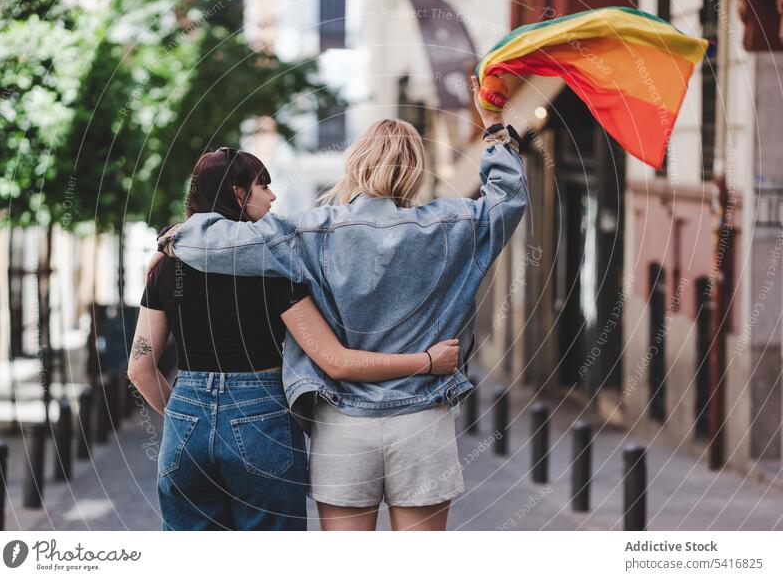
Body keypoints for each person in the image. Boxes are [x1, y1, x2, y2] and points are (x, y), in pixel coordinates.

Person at [158, 76, 527, 530]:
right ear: (415, 170)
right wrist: (493, 124)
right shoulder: (454, 225)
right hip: (422, 420)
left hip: (342, 426)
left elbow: (220, 242)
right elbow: (508, 198)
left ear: (355, 163)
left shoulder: (310, 232)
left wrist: (173, 238)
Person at [127, 147, 460, 531]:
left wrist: (187, 416)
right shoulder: (271, 266)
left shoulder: (167, 266)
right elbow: (333, 360)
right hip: (260, 420)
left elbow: (140, 366)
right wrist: (428, 361)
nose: (273, 197)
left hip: (186, 423)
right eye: (263, 186)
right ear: (238, 194)